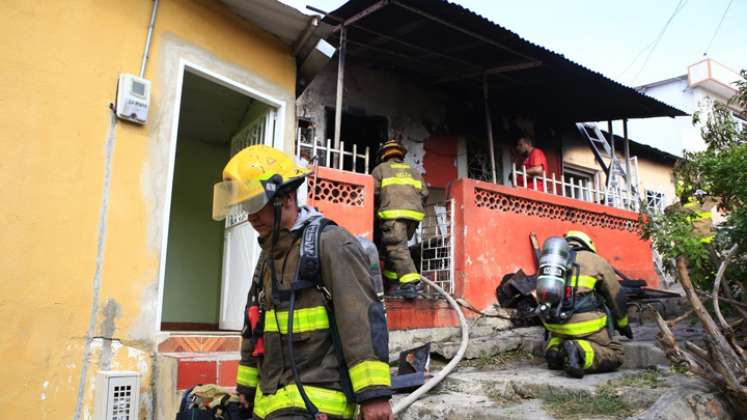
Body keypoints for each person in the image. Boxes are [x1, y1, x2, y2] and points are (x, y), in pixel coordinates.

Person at [212, 145, 393, 419]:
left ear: (285, 198)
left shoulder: (330, 243)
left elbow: (360, 319)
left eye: (255, 204)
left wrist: (374, 396)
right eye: (244, 206)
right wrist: (245, 391)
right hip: (270, 405)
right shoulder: (268, 255)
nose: (250, 216)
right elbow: (254, 326)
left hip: (318, 404)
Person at [542, 231, 633, 379]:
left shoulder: (552, 260)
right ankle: (579, 352)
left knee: (562, 336)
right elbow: (616, 295)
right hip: (584, 325)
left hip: (554, 323)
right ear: (588, 245)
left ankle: (555, 350)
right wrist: (623, 324)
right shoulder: (595, 260)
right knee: (616, 354)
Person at [371, 139, 429, 300]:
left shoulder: (380, 169)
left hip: (392, 215)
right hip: (414, 217)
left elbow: (372, 193)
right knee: (392, 249)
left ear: (384, 155)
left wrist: (376, 211)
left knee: (396, 247)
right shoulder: (414, 171)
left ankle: (409, 284)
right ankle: (392, 282)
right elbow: (424, 194)